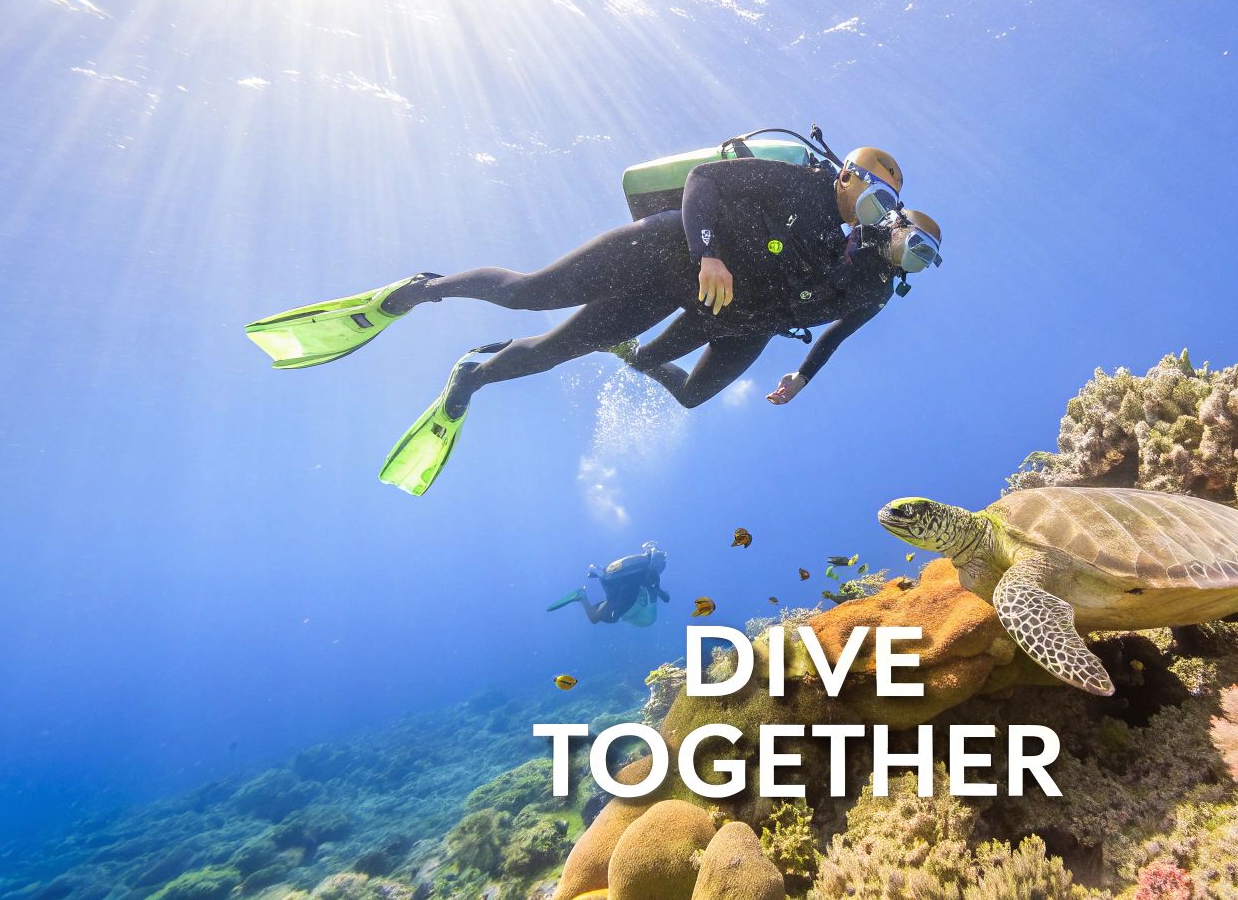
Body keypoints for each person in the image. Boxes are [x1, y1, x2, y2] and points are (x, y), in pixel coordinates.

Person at [245, 145, 943, 494]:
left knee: (552, 352)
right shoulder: (798, 182)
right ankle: (421, 289)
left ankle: (470, 380)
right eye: (874, 194)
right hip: (666, 248)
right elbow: (704, 182)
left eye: (893, 215)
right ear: (848, 175)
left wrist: (798, 372)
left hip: (692, 302)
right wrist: (707, 256)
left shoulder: (853, 262)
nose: (875, 211)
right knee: (526, 292)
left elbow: (825, 320)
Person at [616, 208, 944, 407]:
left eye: (924, 259)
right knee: (646, 358)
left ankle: (628, 346)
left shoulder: (879, 293)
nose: (915, 260)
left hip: (759, 330)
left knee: (690, 397)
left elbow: (837, 334)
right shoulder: (855, 234)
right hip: (732, 302)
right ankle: (625, 335)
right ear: (895, 227)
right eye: (917, 246)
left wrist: (802, 377)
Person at [546, 543, 670, 625]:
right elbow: (654, 586)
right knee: (605, 618)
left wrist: (663, 596)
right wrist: (664, 596)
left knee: (604, 609)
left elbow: (654, 587)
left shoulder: (643, 566)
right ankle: (582, 595)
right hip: (624, 590)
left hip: (619, 586)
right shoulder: (650, 570)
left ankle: (587, 589)